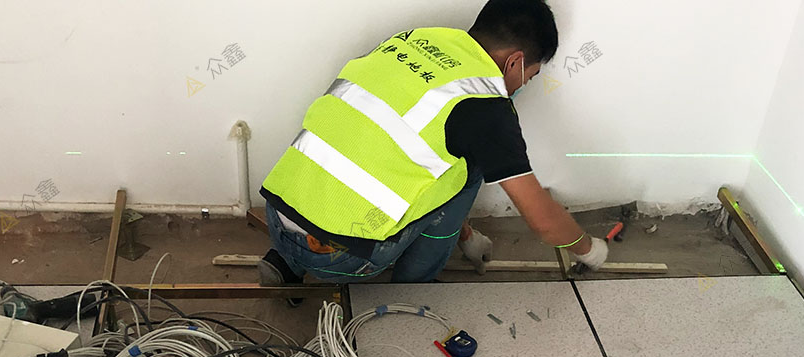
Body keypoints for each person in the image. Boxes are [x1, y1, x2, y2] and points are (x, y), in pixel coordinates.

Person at [257, 0, 610, 288]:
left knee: (442, 154)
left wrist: (465, 235)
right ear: (515, 61)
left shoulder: (411, 40)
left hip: (277, 214)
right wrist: (590, 250)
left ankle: (286, 264)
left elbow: (391, 149)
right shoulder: (485, 107)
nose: (522, 85)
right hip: (339, 257)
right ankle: (415, 287)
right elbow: (543, 220)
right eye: (529, 76)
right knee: (471, 166)